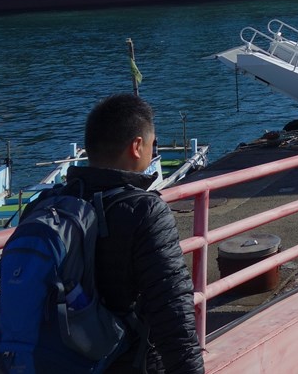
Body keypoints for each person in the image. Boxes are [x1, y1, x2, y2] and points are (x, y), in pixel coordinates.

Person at [65, 93, 204, 374]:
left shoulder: (48, 204)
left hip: (49, 361)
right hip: (124, 362)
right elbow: (172, 311)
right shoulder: (145, 211)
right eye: (154, 144)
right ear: (137, 146)